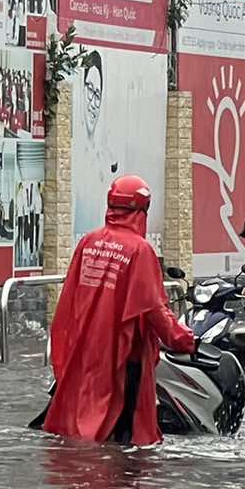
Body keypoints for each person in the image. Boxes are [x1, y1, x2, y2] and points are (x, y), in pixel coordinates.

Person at [43, 174, 197, 446]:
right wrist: (183, 339)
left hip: (83, 346)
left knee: (80, 420)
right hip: (121, 355)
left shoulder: (89, 242)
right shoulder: (139, 250)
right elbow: (154, 308)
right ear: (142, 210)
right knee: (123, 436)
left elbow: (69, 298)